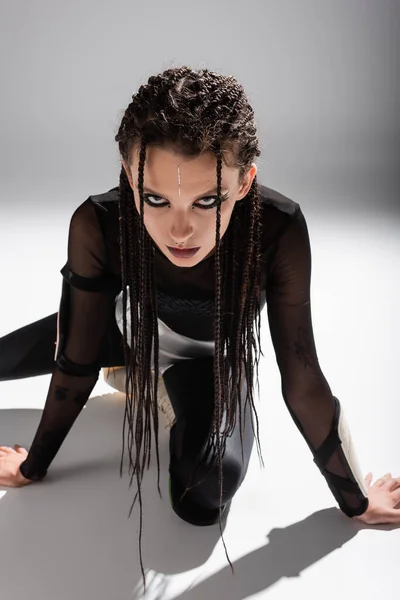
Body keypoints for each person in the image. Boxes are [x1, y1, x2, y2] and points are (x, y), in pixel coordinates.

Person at [1, 66, 399, 587]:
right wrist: (32, 470)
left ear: (245, 181)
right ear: (127, 172)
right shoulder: (97, 222)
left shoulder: (277, 227)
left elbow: (302, 377)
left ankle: (157, 388)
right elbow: (73, 365)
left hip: (204, 363)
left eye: (208, 201)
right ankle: (131, 369)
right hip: (124, 328)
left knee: (203, 496)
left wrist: (355, 501)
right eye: (156, 198)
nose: (180, 229)